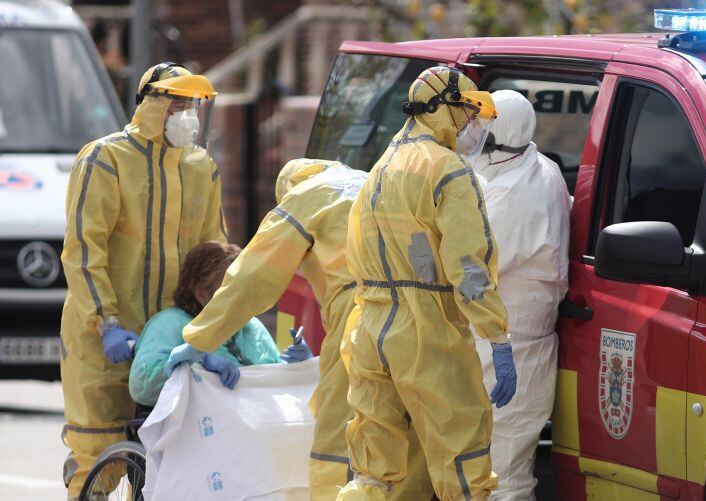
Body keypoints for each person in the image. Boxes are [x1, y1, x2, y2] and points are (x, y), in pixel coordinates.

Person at [167, 158, 433, 500]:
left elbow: (253, 276)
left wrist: (201, 337)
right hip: (424, 315)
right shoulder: (374, 183)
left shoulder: (304, 197)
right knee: (411, 432)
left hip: (363, 318)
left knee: (337, 441)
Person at [336, 66, 516, 501]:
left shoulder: (383, 163)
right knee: (462, 462)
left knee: (375, 472)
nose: (474, 125)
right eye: (470, 112)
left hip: (369, 327)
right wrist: (497, 335)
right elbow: (469, 268)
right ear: (445, 108)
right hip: (426, 333)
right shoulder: (447, 170)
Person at [59, 62, 224, 500]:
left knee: (164, 465)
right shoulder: (106, 159)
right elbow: (83, 248)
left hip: (169, 340)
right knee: (98, 454)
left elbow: (214, 253)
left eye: (193, 104)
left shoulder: (201, 168)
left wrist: (224, 323)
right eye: (177, 102)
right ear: (152, 103)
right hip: (108, 339)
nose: (187, 113)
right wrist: (106, 322)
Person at [469, 90, 571, 500]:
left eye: (479, 124)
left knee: (503, 475)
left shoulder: (511, 193)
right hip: (516, 341)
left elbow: (473, 268)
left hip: (510, 345)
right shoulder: (539, 167)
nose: (470, 131)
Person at [128, 241, 310, 406]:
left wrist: (296, 366)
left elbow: (272, 383)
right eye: (232, 290)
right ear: (202, 294)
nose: (243, 297)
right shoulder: (169, 323)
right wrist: (193, 365)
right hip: (199, 434)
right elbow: (142, 387)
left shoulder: (251, 327)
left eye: (245, 287)